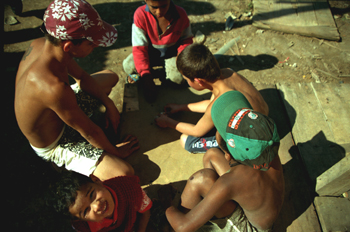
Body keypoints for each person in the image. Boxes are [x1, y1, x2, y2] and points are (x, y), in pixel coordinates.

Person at [14, 0, 139, 181]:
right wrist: (116, 151)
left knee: (110, 77)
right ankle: (60, 165)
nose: (95, 46)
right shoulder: (53, 87)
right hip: (55, 142)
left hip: (59, 108)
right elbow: (90, 132)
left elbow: (82, 77)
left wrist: (109, 104)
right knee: (123, 172)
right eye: (91, 44)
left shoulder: (43, 44)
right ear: (69, 46)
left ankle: (87, 152)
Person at [164, 92, 285, 231]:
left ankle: (173, 224)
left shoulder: (231, 181)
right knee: (212, 154)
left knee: (198, 180)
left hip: (250, 229)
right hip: (259, 202)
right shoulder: (265, 148)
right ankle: (209, 210)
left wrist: (168, 206)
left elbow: (182, 227)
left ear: (228, 155)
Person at [155, 43, 268, 154]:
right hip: (265, 123)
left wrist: (168, 122)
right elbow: (211, 104)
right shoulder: (228, 72)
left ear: (198, 81)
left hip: (252, 142)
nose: (187, 83)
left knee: (186, 140)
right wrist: (182, 107)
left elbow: (197, 131)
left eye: (187, 80)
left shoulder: (219, 102)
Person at [123, 0, 193, 102]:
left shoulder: (181, 14)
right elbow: (140, 49)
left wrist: (180, 58)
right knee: (128, 65)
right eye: (154, 7)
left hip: (171, 55)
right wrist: (146, 76)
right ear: (146, 1)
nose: (159, 12)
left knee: (177, 79)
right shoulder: (140, 15)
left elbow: (186, 40)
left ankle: (160, 73)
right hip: (149, 54)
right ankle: (150, 73)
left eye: (164, 6)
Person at [50, 171, 152, 232]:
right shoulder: (83, 226)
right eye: (86, 211)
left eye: (91, 195)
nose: (96, 206)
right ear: (78, 219)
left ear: (96, 180)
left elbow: (145, 212)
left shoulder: (130, 190)